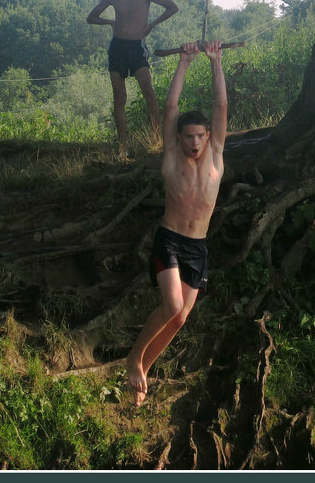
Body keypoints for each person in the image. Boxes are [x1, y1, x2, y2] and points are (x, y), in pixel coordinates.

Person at [126, 39, 226, 405]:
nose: (195, 142)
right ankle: (134, 358)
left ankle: (142, 374)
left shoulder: (215, 157)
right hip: (169, 240)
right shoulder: (172, 156)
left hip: (197, 247)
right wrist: (184, 62)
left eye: (201, 135)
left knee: (180, 319)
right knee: (170, 306)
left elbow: (220, 105)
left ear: (209, 136)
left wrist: (216, 61)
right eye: (189, 136)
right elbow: (170, 107)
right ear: (179, 138)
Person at [87, 0, 179, 155]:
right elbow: (91, 17)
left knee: (149, 91)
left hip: (137, 47)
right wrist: (110, 22)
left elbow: (172, 7)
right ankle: (123, 147)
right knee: (119, 96)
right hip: (117, 48)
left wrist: (152, 25)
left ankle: (156, 142)